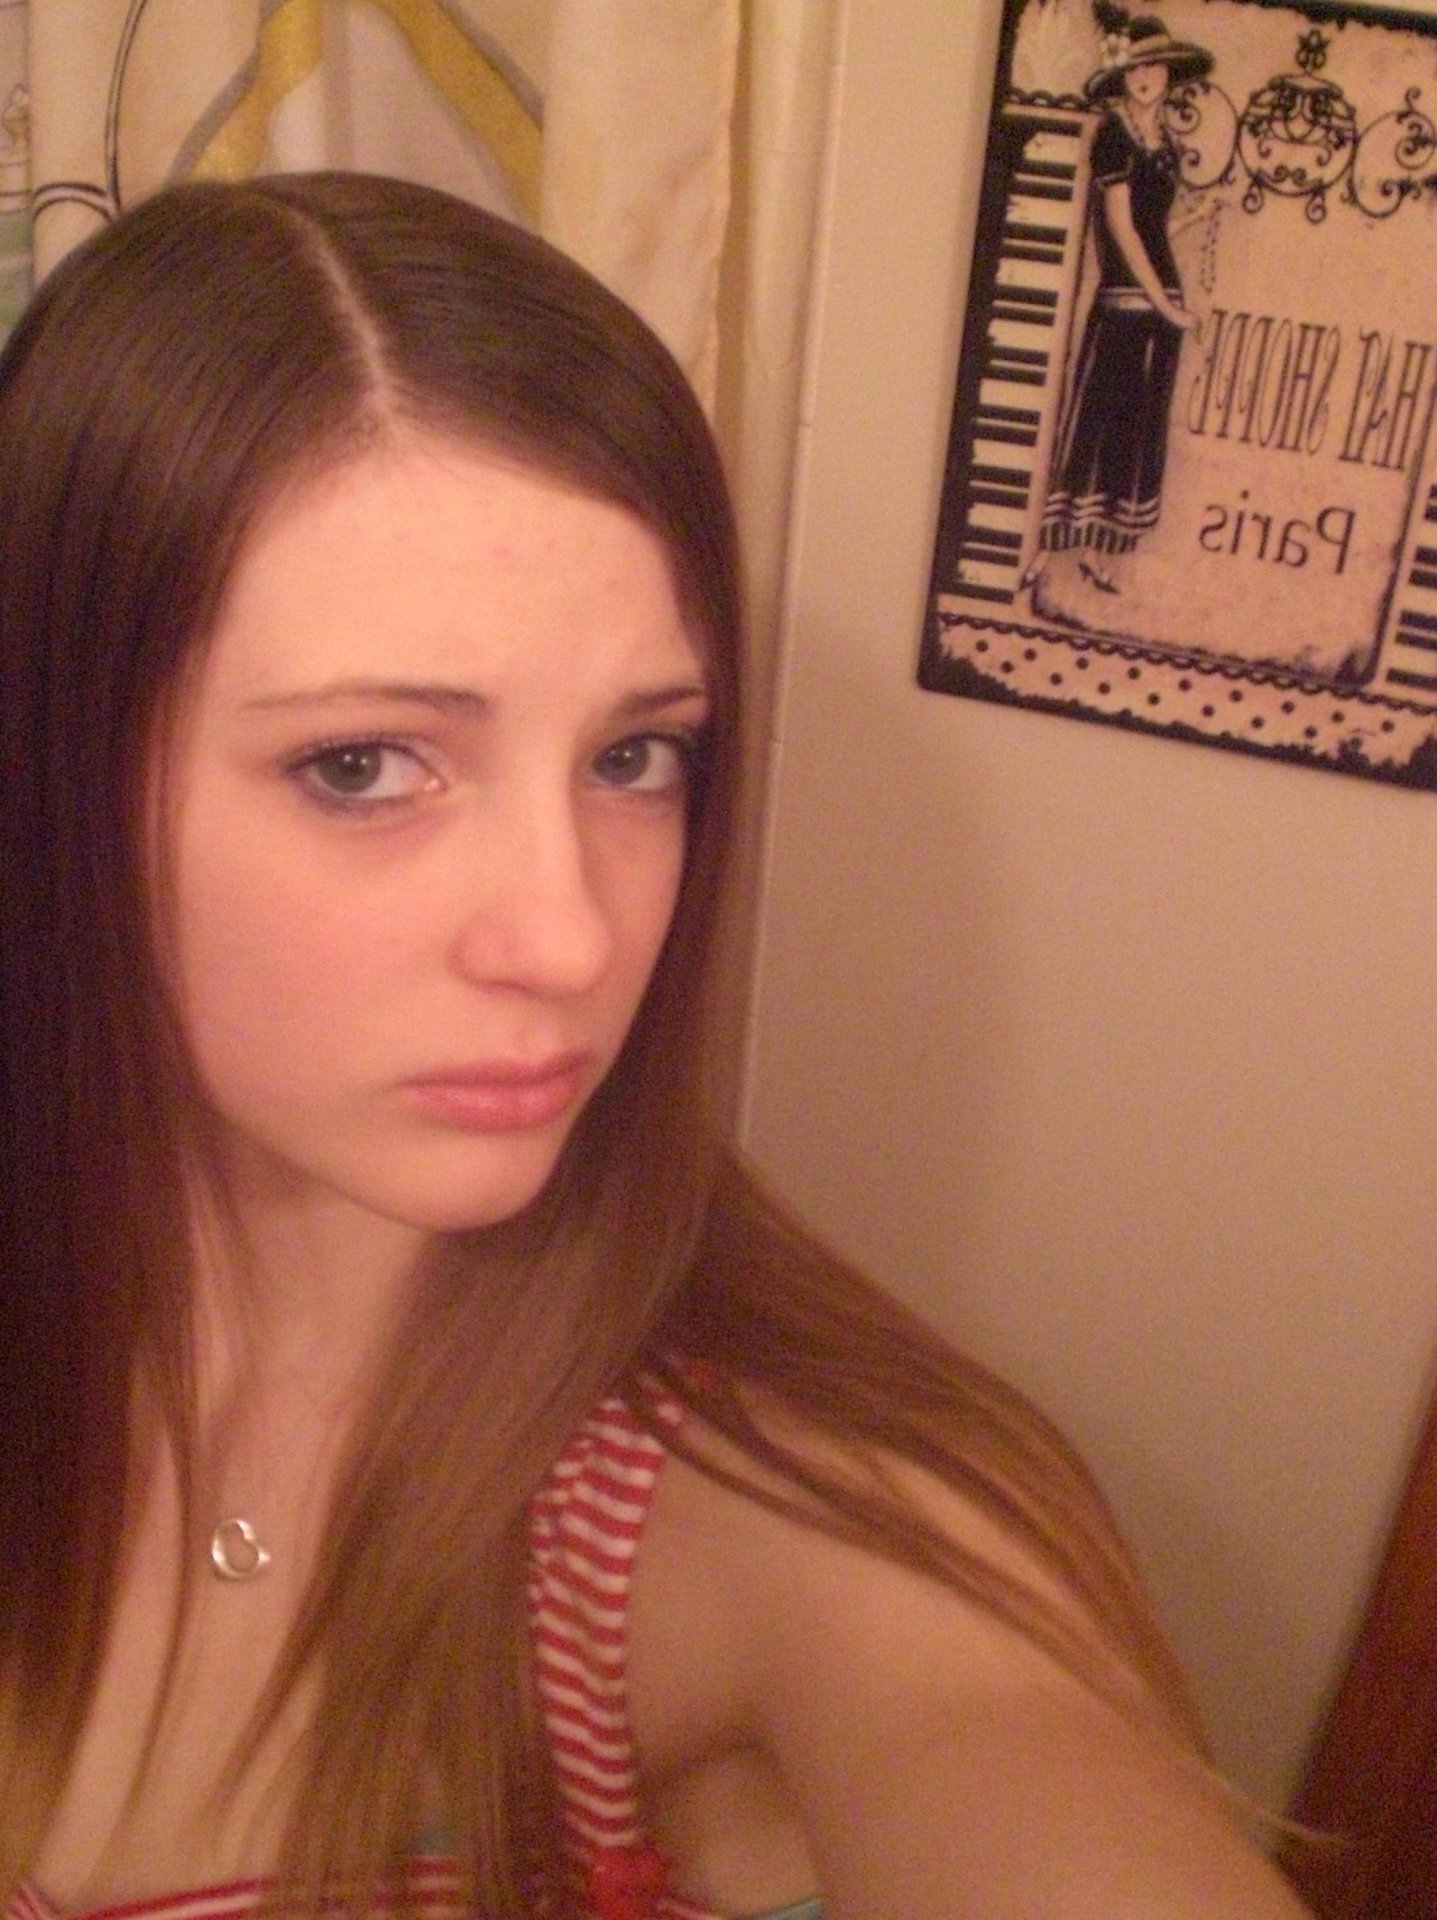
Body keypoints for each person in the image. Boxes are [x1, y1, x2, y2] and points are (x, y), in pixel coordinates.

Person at [0, 172, 1310, 1920]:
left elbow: (992, 1742)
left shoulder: (791, 1507)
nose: (573, 938)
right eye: (365, 766)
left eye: (634, 757)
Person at [1038, 8, 1212, 592]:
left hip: (1159, 300)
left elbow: (1155, 229)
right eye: (1135, 68)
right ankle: (1047, 550)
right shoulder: (1113, 134)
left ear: (1169, 75)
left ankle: (1098, 552)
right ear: (1122, 74)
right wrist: (1165, 305)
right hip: (1125, 299)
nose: (1144, 77)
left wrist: (1196, 220)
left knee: (1135, 429)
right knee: (1096, 417)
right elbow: (1122, 229)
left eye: (1155, 67)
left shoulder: (1167, 144)